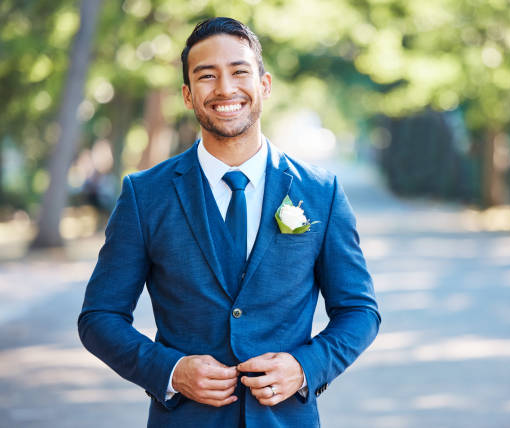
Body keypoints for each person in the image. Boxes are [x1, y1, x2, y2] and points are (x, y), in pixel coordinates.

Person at [78, 17, 380, 428]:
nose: (224, 88)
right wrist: (170, 371)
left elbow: (359, 310)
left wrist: (305, 366)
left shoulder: (321, 193)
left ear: (265, 85)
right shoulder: (145, 195)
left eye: (239, 71)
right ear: (187, 94)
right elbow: (99, 317)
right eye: (206, 76)